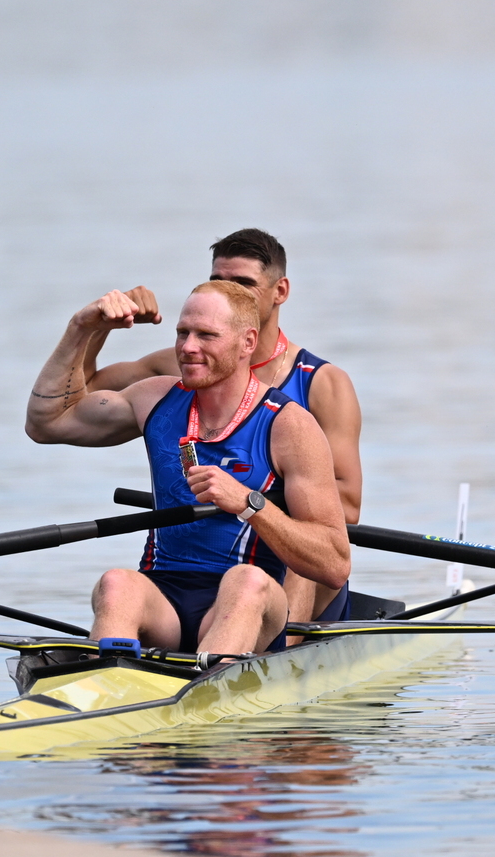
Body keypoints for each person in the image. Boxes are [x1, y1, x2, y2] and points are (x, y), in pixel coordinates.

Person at [25, 280, 350, 660]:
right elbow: (46, 425)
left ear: (247, 342)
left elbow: (334, 563)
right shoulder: (154, 399)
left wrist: (248, 503)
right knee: (117, 584)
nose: (188, 348)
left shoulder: (289, 426)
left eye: (206, 335)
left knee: (246, 583)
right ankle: (103, 686)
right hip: (165, 602)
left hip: (247, 603)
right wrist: (81, 328)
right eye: (182, 333)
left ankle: (206, 686)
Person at [72, 229, 363, 629]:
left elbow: (347, 506)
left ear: (280, 291)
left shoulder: (322, 383)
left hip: (280, 559)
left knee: (290, 549)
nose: (229, 291)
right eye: (219, 281)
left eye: (243, 283)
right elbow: (74, 394)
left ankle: (281, 660)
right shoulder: (183, 366)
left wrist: (250, 495)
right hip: (195, 560)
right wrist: (103, 324)